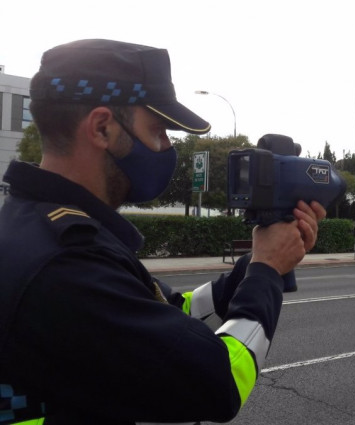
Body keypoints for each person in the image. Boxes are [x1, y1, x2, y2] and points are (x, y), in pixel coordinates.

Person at [0, 39, 326, 424]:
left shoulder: (39, 226)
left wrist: (256, 263)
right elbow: (218, 381)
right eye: (158, 130)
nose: (167, 146)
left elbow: (172, 312)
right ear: (102, 127)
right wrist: (267, 274)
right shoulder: (66, 264)